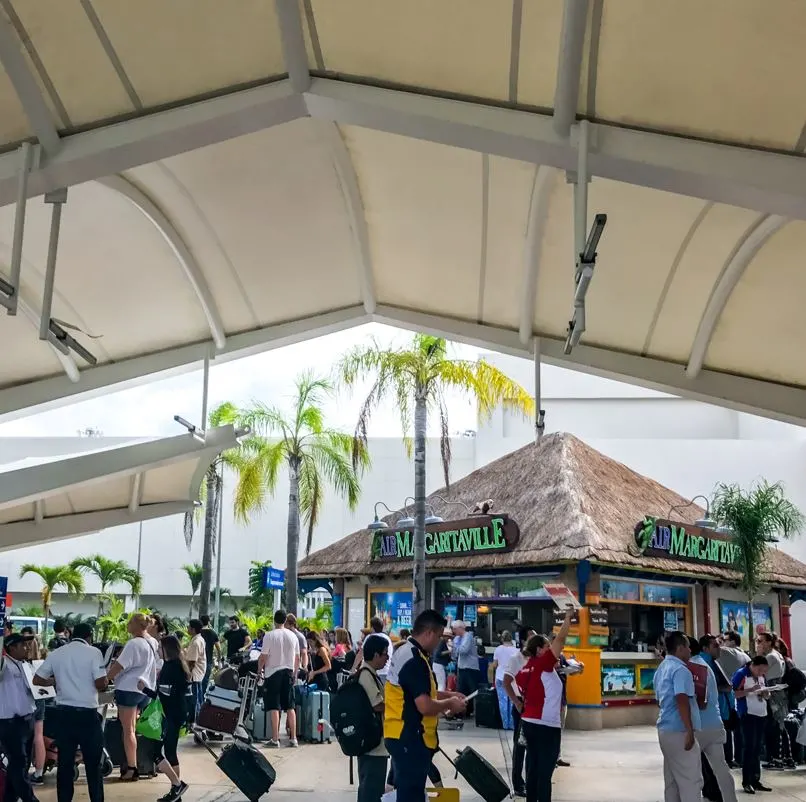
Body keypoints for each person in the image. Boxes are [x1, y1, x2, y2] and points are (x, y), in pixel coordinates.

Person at [384, 609, 466, 802]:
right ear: (428, 632)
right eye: (438, 636)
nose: (439, 642)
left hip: (401, 735)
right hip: (409, 737)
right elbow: (424, 705)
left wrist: (450, 694)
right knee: (411, 796)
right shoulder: (414, 660)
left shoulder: (409, 653)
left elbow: (419, 692)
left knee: (407, 792)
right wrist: (450, 704)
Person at [32, 623, 108, 802]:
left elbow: (37, 679)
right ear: (89, 636)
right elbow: (100, 684)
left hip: (64, 715)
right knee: (93, 765)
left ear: (72, 634)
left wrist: (56, 681)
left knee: (65, 764)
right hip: (88, 716)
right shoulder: (94, 653)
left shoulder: (58, 653)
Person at [515, 610, 573, 802]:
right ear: (539, 650)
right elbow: (562, 639)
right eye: (547, 646)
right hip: (547, 726)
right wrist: (567, 617)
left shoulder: (525, 669)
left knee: (533, 770)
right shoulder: (542, 664)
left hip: (529, 724)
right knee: (544, 774)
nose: (552, 649)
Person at [139, 635, 190, 802]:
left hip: (169, 715)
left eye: (160, 648)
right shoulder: (180, 666)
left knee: (156, 752)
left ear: (166, 649)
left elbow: (163, 697)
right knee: (170, 752)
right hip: (177, 714)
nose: (158, 651)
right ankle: (176, 792)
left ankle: (177, 785)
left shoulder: (169, 668)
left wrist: (145, 690)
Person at [653, 631, 702, 802]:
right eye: (688, 647)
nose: (690, 651)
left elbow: (659, 700)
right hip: (679, 731)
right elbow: (682, 699)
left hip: (665, 729)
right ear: (681, 648)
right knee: (691, 781)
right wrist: (689, 730)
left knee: (672, 781)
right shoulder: (681, 670)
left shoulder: (662, 668)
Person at [107, 613, 156, 781]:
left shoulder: (133, 644)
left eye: (129, 622)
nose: (127, 625)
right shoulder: (151, 642)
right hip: (144, 690)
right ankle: (132, 764)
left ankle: (132, 768)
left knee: (128, 731)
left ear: (136, 625)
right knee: (133, 730)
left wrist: (105, 679)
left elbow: (118, 666)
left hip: (128, 689)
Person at [689, 637, 737, 802]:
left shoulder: (695, 667)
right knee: (721, 769)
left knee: (691, 772)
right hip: (715, 723)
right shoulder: (706, 664)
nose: (720, 649)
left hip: (701, 727)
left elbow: (700, 701)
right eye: (715, 645)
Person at [0, 632, 39, 802]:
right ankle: (30, 799)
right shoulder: (4, 665)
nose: (27, 647)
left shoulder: (25, 665)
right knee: (18, 763)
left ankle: (9, 798)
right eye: (22, 645)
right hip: (10, 723)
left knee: (21, 764)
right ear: (11, 648)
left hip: (27, 720)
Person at [258, 609, 299, 749]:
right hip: (288, 672)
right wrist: (295, 673)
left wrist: (259, 671)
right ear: (285, 621)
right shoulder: (293, 636)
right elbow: (297, 657)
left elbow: (263, 656)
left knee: (274, 706)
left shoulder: (269, 636)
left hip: (273, 673)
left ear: (274, 620)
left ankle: (275, 739)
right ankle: (293, 738)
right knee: (290, 706)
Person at [356, 634, 389, 802]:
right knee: (371, 791)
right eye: (385, 654)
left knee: (372, 790)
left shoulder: (371, 674)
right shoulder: (366, 675)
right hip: (373, 746)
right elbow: (376, 704)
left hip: (373, 744)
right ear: (376, 655)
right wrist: (396, 706)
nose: (387, 658)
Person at [503, 627, 536, 797]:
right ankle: (517, 783)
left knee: (532, 745)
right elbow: (506, 682)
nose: (534, 639)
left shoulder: (536, 658)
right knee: (520, 745)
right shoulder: (516, 659)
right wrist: (516, 702)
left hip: (535, 707)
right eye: (531, 637)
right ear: (523, 640)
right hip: (521, 705)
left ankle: (530, 780)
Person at [733, 655, 772, 794]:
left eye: (764, 671)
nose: (762, 673)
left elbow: (765, 693)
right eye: (760, 670)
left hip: (761, 713)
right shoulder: (741, 674)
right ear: (753, 665)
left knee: (757, 748)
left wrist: (766, 694)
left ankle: (756, 779)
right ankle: (747, 781)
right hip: (747, 714)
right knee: (749, 747)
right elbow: (734, 694)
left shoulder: (761, 676)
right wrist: (750, 690)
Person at [754, 632, 786, 771]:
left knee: (773, 727)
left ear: (768, 642)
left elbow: (757, 672)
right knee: (776, 726)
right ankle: (778, 757)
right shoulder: (776, 654)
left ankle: (776, 758)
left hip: (772, 693)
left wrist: (758, 655)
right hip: (776, 692)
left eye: (760, 641)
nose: (758, 644)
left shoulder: (771, 656)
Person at [717, 631, 749, 767]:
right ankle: (740, 758)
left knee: (727, 727)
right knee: (739, 730)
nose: (722, 642)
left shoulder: (728, 652)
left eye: (725, 640)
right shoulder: (746, 656)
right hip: (744, 697)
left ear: (733, 642)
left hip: (729, 695)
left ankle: (728, 758)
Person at [20, 629, 46, 787]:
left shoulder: (21, 665)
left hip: (25, 703)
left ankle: (22, 769)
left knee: (23, 737)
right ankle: (39, 772)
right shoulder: (41, 663)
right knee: (39, 736)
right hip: (40, 701)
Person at [452, 620, 480, 715]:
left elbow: (464, 650)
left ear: (461, 628)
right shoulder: (457, 638)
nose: (454, 631)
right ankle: (463, 710)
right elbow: (454, 654)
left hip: (470, 667)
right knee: (461, 689)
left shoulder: (468, 636)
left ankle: (473, 710)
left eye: (455, 629)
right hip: (461, 666)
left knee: (471, 689)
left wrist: (454, 646)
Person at [492, 631, 518, 730]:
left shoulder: (498, 649)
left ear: (502, 639)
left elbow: (494, 664)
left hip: (500, 677)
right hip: (512, 678)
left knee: (502, 702)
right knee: (512, 701)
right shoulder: (516, 651)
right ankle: (512, 724)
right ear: (511, 639)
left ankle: (505, 724)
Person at [184, 619, 207, 717]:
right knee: (197, 698)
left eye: (189, 627)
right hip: (198, 674)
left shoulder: (196, 642)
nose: (187, 629)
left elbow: (192, 662)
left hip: (194, 675)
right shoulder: (198, 639)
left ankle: (195, 720)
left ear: (193, 629)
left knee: (194, 699)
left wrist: (187, 675)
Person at [199, 615, 221, 695]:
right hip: (208, 660)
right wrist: (218, 658)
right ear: (208, 622)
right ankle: (202, 700)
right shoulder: (213, 633)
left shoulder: (198, 632)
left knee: (197, 681)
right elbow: (219, 648)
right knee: (205, 681)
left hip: (197, 661)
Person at [369, 617, 393, 683]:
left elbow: (360, 654)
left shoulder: (371, 637)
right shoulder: (387, 638)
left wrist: (353, 668)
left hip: (375, 672)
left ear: (372, 627)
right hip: (387, 672)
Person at [431, 629, 452, 693]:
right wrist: (450, 651)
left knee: (440, 683)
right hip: (439, 664)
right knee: (441, 683)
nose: (449, 638)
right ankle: (440, 698)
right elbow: (438, 653)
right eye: (448, 637)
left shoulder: (439, 641)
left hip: (437, 664)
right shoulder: (441, 641)